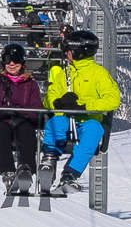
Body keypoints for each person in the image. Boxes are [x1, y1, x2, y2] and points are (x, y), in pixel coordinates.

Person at [40, 27, 121, 197]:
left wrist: (83, 106)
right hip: (65, 118)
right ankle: (49, 159)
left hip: (88, 119)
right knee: (56, 123)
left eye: (69, 51)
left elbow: (113, 100)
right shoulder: (65, 74)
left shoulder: (99, 74)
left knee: (94, 131)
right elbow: (50, 95)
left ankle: (70, 174)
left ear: (77, 52)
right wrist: (58, 103)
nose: (66, 55)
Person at [0, 42, 43, 193]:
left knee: (27, 131)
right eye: (8, 60)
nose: (12, 64)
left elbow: (36, 108)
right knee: (1, 131)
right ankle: (8, 172)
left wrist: (23, 114)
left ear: (22, 63)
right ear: (3, 62)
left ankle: (26, 169)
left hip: (22, 121)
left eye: (16, 60)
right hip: (1, 121)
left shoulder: (30, 85)